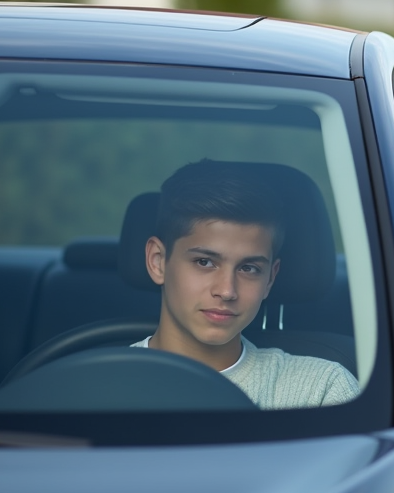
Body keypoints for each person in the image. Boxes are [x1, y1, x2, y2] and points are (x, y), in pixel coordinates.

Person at [132, 160, 360, 410]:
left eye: (249, 268)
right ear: (158, 262)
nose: (227, 291)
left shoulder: (321, 392)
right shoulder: (97, 381)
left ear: (270, 279)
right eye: (205, 262)